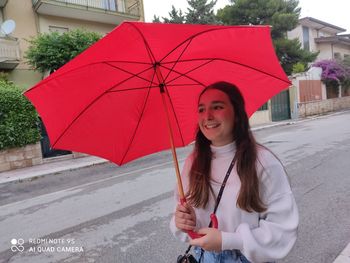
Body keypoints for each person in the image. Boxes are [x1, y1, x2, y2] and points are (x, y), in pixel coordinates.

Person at [170, 82, 299, 263]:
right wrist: (182, 222)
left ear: (237, 114)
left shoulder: (263, 162)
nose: (207, 116)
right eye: (201, 109)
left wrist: (228, 240)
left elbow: (283, 230)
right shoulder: (193, 162)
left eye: (217, 107)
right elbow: (183, 217)